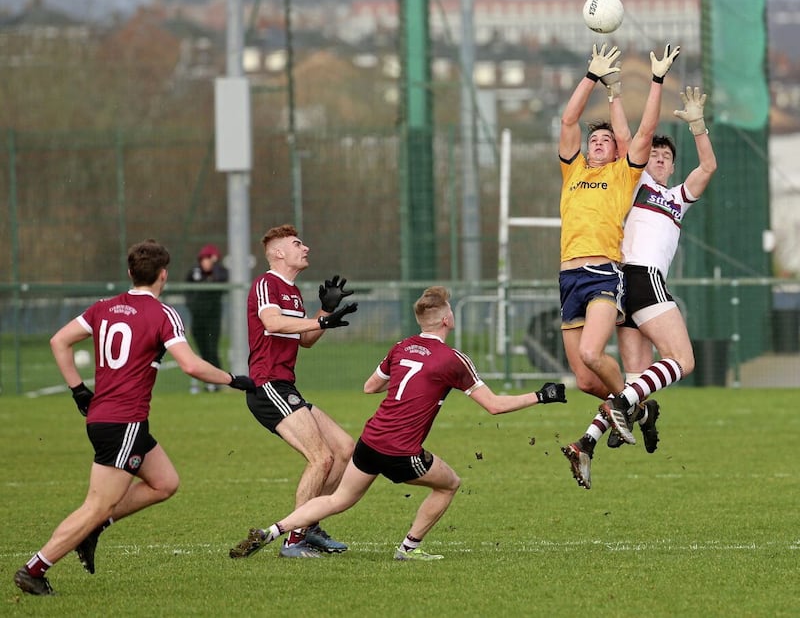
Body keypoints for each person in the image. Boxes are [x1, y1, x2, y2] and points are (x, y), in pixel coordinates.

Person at [228, 286, 567, 562]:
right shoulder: (453, 360)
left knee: (338, 500)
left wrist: (410, 375)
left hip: (370, 441)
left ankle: (273, 531)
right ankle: (409, 549)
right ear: (448, 319)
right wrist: (541, 395)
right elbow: (494, 406)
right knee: (449, 484)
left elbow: (370, 386)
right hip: (401, 450)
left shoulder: (401, 346)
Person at [13, 239, 256, 596]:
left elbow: (59, 341)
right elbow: (190, 365)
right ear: (163, 275)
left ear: (129, 273)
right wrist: (234, 379)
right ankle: (34, 569)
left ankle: (94, 528)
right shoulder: (162, 314)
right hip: (123, 422)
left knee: (165, 482)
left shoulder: (104, 307)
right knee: (96, 505)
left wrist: (78, 389)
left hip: (111, 418)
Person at [562, 87, 717, 488]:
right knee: (683, 360)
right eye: (657, 156)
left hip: (624, 291)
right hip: (639, 277)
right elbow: (631, 140)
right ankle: (630, 407)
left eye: (668, 158)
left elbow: (707, 168)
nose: (661, 160)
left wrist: (698, 126)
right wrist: (616, 94)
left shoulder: (678, 197)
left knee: (636, 380)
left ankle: (586, 442)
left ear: (673, 166)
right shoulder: (637, 183)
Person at [556, 41, 680, 477]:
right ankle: (640, 412)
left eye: (605, 139)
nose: (598, 142)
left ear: (614, 150)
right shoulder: (573, 170)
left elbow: (642, 134)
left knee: (593, 353)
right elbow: (569, 119)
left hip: (603, 273)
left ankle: (627, 409)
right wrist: (591, 74)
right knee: (587, 380)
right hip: (567, 277)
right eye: (595, 138)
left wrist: (654, 81)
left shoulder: (623, 174)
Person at [240, 224, 358, 558]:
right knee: (320, 458)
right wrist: (321, 322)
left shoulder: (292, 291)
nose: (305, 248)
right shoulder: (267, 284)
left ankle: (309, 527)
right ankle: (294, 540)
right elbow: (273, 324)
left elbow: (304, 340)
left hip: (285, 385)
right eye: (297, 243)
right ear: (278, 253)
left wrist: (324, 311)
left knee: (345, 449)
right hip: (267, 385)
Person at [185, 243, 229, 394]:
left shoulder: (220, 273)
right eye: (203, 259)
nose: (205, 262)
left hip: (212, 318)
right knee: (201, 351)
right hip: (197, 318)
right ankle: (206, 382)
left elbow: (222, 279)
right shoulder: (194, 273)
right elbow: (187, 292)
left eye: (209, 259)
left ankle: (217, 382)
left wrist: (214, 267)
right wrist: (192, 306)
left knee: (212, 350)